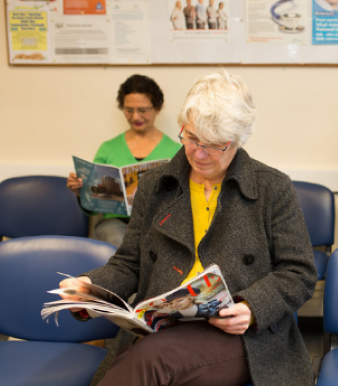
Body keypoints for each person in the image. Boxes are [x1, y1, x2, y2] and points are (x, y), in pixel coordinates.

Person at [59, 70, 317, 386]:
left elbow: (299, 272)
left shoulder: (272, 188)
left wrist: (250, 307)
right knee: (150, 357)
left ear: (237, 139)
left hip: (240, 335)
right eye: (191, 137)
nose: (198, 153)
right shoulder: (156, 185)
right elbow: (129, 264)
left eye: (213, 145)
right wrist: (91, 286)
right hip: (163, 326)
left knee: (151, 361)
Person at [67, 75, 181, 247]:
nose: (135, 116)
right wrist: (81, 192)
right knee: (117, 241)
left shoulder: (176, 151)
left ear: (157, 108)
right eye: (128, 110)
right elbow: (91, 207)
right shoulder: (108, 148)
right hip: (114, 224)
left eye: (143, 110)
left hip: (157, 223)